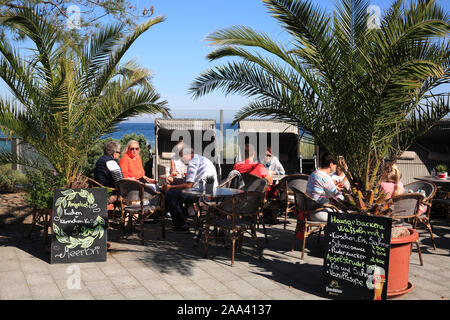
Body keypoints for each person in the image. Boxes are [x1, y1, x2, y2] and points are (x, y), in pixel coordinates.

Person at [161, 147, 218, 231]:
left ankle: (180, 225)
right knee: (175, 193)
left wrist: (170, 186)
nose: (182, 161)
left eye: (182, 157)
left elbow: (188, 185)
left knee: (170, 195)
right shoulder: (200, 159)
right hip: (211, 190)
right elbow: (190, 181)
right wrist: (175, 182)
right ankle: (182, 219)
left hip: (202, 193)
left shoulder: (193, 163)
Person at [306, 153, 343, 221]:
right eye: (335, 164)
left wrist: (335, 187)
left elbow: (320, 189)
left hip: (308, 211)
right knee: (345, 216)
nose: (336, 166)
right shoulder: (325, 177)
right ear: (331, 164)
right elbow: (337, 196)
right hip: (319, 212)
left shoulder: (314, 173)